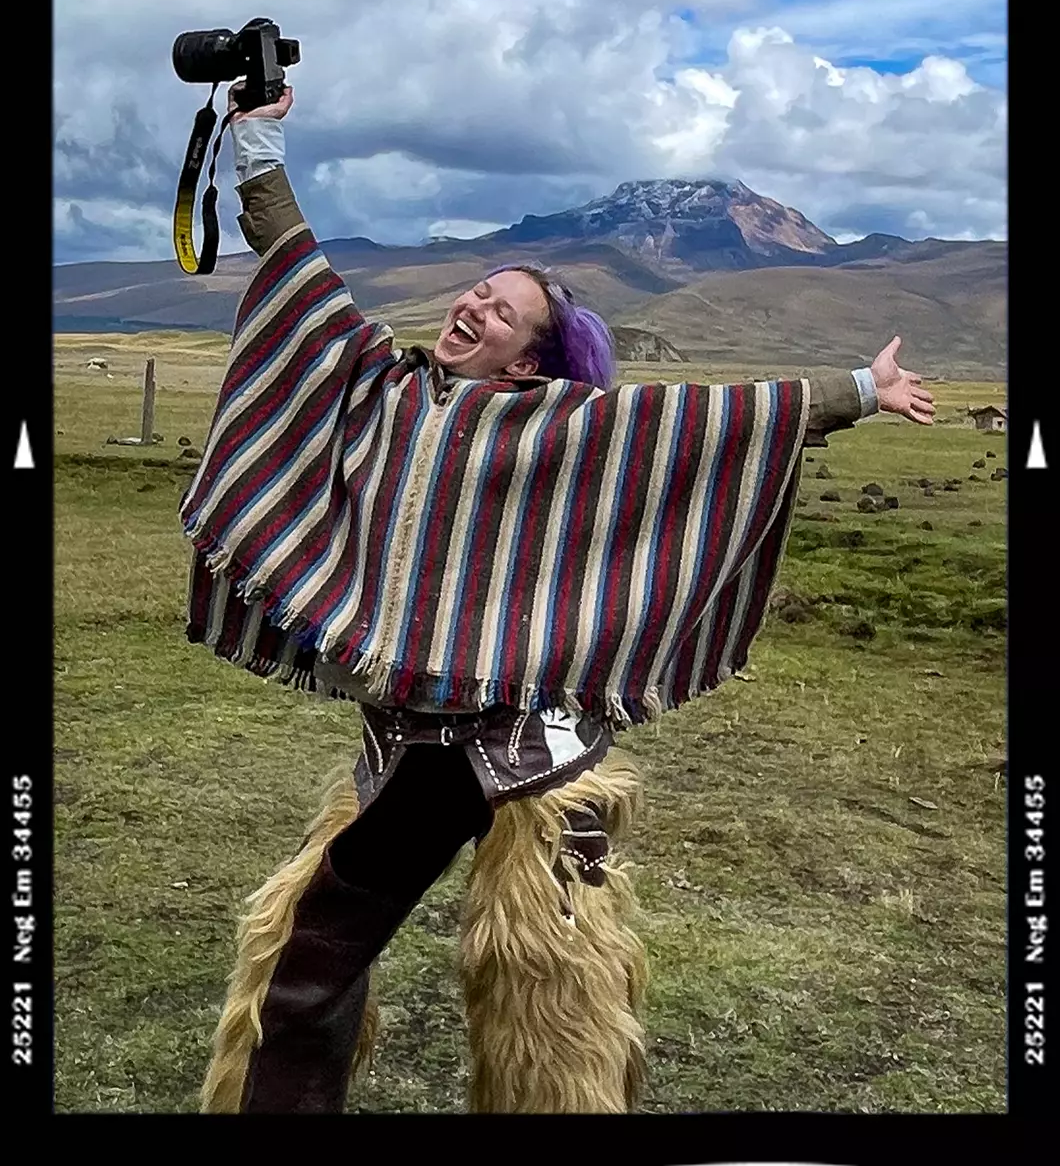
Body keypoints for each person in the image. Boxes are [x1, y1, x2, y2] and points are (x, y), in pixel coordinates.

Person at [188, 84, 934, 1114]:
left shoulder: (571, 429)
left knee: (551, 1001)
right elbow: (299, 280)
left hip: (530, 758)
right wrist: (259, 146)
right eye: (475, 289)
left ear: (531, 355)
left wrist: (858, 390)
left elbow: (707, 422)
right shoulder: (385, 389)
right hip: (403, 745)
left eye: (502, 309)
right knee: (301, 966)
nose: (473, 306)